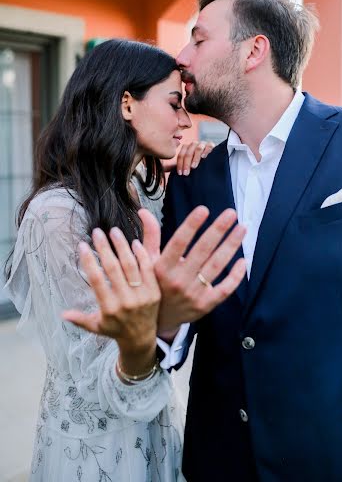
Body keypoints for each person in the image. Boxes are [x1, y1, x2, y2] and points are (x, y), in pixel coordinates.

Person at [153, 0, 342, 481]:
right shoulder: (190, 177)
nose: (182, 56)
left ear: (254, 51)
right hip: (220, 462)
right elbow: (181, 328)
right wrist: (164, 323)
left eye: (199, 39)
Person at [4, 39, 246, 482]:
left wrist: (203, 172)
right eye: (174, 104)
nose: (185, 121)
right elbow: (99, 372)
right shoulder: (56, 215)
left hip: (155, 427)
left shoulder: (144, 192)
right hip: (94, 451)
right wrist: (164, 323)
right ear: (126, 104)